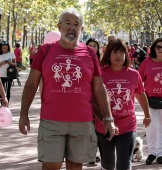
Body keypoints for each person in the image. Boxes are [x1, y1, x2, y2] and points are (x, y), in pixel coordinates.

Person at [19, 8, 118, 170]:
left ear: (82, 29)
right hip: (51, 121)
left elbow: (99, 89)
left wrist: (108, 119)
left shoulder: (89, 53)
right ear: (59, 26)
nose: (72, 27)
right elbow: (31, 84)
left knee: (75, 166)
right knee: (51, 165)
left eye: (76, 24)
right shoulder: (45, 50)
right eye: (68, 23)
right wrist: (24, 114)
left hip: (82, 122)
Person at [94, 38, 151, 170]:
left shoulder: (133, 74)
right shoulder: (100, 74)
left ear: (126, 55)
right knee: (108, 164)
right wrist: (103, 120)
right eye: (114, 52)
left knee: (124, 165)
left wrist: (147, 115)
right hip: (105, 126)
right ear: (108, 55)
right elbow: (92, 99)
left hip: (127, 125)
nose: (118, 56)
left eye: (121, 52)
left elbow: (141, 95)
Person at [138, 38, 162, 165]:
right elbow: (138, 80)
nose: (161, 50)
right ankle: (152, 153)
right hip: (151, 101)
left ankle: (160, 154)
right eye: (158, 47)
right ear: (154, 48)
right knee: (152, 127)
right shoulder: (147, 62)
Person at [86, 37, 101, 164]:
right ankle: (91, 155)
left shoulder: (103, 64)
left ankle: (99, 153)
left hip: (101, 101)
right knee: (89, 129)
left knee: (99, 128)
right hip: (86, 101)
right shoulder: (82, 61)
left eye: (94, 45)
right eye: (89, 45)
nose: (92, 47)